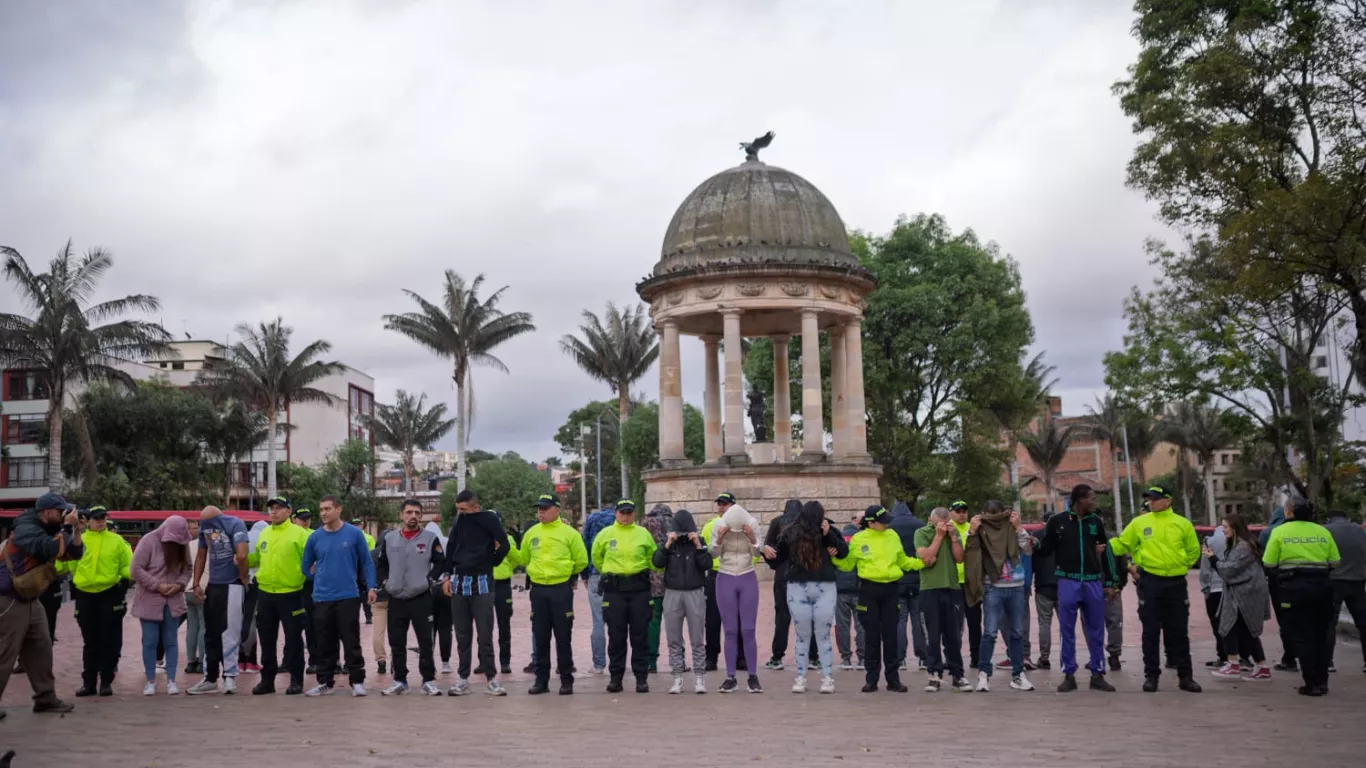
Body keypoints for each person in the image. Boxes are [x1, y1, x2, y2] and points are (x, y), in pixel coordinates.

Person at [1110, 484, 1202, 693]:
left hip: (1176, 584)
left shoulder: (1182, 523)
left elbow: (1193, 551)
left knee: (1179, 632)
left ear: (1168, 500)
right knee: (1150, 632)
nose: (1150, 502)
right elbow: (1122, 544)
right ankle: (1151, 676)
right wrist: (1103, 544)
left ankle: (1186, 677)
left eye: (1155, 499)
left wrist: (1179, 565)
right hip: (1150, 582)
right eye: (1149, 499)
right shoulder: (1139, 523)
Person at [0, 493, 84, 717]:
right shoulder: (26, 528)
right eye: (61, 511)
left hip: (29, 598)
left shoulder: (49, 527)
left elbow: (74, 554)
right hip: (8, 598)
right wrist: (67, 527)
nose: (64, 515)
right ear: (47, 513)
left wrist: (77, 531)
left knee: (41, 648)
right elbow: (49, 549)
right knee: (5, 654)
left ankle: (45, 698)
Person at [1034, 485, 1118, 693]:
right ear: (1080, 499)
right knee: (1067, 629)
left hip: (1092, 581)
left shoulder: (1095, 521)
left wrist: (1110, 581)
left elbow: (1106, 552)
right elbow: (1046, 549)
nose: (1094, 502)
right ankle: (1069, 674)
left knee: (1096, 629)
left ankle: (1097, 674)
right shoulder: (1057, 521)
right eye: (1091, 498)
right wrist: (1033, 544)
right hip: (1067, 581)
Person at [762, 501, 848, 694]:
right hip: (814, 586)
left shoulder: (826, 531)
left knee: (807, 636)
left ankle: (806, 678)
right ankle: (822, 678)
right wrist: (767, 552)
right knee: (818, 636)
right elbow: (777, 558)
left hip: (806, 586)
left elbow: (843, 552)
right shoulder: (792, 533)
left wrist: (828, 535)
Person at [834, 505, 919, 693]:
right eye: (882, 522)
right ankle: (871, 679)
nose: (886, 524)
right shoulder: (859, 539)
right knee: (871, 637)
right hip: (869, 591)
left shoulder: (892, 535)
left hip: (891, 590)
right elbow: (848, 565)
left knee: (891, 636)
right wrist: (835, 558)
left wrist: (921, 562)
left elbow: (903, 561)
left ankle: (893, 680)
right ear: (871, 523)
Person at [301, 496, 377, 696]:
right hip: (322, 597)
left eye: (327, 509)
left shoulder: (354, 534)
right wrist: (315, 574)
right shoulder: (315, 537)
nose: (323, 513)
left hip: (348, 596)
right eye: (321, 510)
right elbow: (305, 566)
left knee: (351, 641)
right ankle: (325, 682)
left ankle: (357, 681)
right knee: (324, 643)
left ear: (338, 509)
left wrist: (372, 587)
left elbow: (367, 562)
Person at [1262, 500, 1340, 696]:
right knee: (1320, 635)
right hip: (1322, 588)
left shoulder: (1280, 532)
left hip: (1294, 589)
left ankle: (1311, 684)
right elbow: (1335, 561)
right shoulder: (1323, 532)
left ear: (1290, 513)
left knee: (1303, 637)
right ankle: (1323, 682)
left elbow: (1269, 562)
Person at [440, 488, 510, 697]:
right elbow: (451, 548)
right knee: (462, 634)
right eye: (458, 509)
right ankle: (463, 679)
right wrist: (446, 575)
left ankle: (491, 679)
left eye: (464, 509)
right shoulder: (458, 521)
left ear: (475, 507)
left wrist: (491, 561)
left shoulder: (489, 519)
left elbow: (504, 545)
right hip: (460, 580)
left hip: (483, 581)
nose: (460, 513)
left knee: (485, 633)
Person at [520, 493, 588, 695]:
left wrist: (565, 573)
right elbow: (524, 558)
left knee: (563, 636)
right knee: (540, 636)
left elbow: (581, 560)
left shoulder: (570, 534)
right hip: (539, 590)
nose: (540, 512)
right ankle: (541, 681)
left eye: (545, 508)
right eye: (539, 508)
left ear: (557, 510)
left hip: (561, 590)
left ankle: (566, 680)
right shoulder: (532, 533)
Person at [59, 505, 130, 698]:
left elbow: (127, 565)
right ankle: (88, 683)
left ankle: (106, 682)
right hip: (85, 595)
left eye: (103, 518)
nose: (100, 522)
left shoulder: (117, 541)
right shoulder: (79, 540)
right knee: (90, 642)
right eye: (96, 519)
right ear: (87, 520)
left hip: (110, 594)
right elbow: (68, 564)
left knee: (110, 640)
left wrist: (132, 575)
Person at [964, 501, 1035, 692]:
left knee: (1017, 633)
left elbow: (1028, 549)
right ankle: (984, 674)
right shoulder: (980, 530)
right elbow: (969, 553)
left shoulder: (1012, 527)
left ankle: (1018, 675)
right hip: (993, 587)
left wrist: (1019, 527)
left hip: (1016, 587)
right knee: (990, 633)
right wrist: (971, 531)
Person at [378, 499, 445, 696]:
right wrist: (385, 581)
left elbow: (440, 562)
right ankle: (399, 680)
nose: (413, 516)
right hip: (396, 597)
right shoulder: (390, 538)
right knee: (396, 642)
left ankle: (428, 680)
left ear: (421, 516)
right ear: (401, 515)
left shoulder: (430, 538)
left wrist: (430, 579)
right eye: (409, 512)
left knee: (425, 641)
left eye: (417, 512)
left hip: (421, 597)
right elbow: (381, 563)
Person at [246, 496, 311, 696]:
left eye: (278, 508)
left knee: (293, 639)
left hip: (291, 594)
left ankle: (296, 680)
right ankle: (267, 681)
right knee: (266, 640)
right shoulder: (265, 533)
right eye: (271, 508)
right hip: (266, 594)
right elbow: (257, 558)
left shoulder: (300, 534)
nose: (273, 512)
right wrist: (243, 559)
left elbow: (311, 561)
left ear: (289, 511)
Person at [592, 500, 659, 693]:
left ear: (634, 514)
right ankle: (616, 679)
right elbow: (596, 557)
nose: (626, 516)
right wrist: (610, 571)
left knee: (640, 636)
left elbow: (653, 558)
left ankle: (641, 678)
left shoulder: (643, 534)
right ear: (616, 513)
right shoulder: (605, 534)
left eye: (629, 512)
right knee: (616, 636)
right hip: (615, 590)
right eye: (623, 512)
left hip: (639, 589)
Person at [187, 506, 250, 695]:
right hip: (215, 584)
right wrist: (196, 583)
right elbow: (202, 554)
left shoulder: (235, 524)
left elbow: (242, 555)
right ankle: (212, 677)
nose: (207, 528)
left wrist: (243, 577)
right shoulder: (212, 527)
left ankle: (227, 676)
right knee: (214, 633)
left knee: (227, 632)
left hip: (231, 584)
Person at [1204, 512, 1271, 681]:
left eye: (1226, 527)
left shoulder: (1243, 547)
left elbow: (1229, 570)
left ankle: (1238, 664)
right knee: (1240, 629)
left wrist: (1212, 558)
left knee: (1237, 628)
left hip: (1245, 595)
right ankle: (1253, 665)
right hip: (1242, 593)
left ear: (1235, 528)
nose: (1223, 530)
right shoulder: (1241, 545)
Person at [131, 515, 192, 695]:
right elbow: (135, 569)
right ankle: (150, 681)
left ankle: (172, 680)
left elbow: (188, 568)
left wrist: (179, 585)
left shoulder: (183, 544)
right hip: (149, 601)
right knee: (150, 641)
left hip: (173, 600)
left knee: (171, 641)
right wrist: (157, 585)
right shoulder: (148, 541)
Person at [653, 509, 712, 694]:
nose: (683, 535)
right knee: (674, 638)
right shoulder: (669, 543)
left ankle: (699, 677)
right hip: (672, 593)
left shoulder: (699, 542)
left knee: (697, 638)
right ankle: (677, 677)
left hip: (695, 593)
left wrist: (698, 545)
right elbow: (657, 562)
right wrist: (668, 543)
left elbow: (707, 564)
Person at [709, 495, 763, 693]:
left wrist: (752, 538)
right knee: (730, 630)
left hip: (747, 575)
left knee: (748, 629)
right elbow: (713, 554)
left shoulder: (752, 524)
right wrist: (720, 539)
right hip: (725, 576)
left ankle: (753, 676)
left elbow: (757, 554)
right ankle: (730, 676)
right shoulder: (718, 525)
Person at [915, 507, 970, 692]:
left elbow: (960, 558)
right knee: (932, 636)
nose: (943, 525)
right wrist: (938, 536)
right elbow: (926, 556)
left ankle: (958, 675)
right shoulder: (922, 533)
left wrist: (953, 537)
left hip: (952, 588)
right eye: (940, 522)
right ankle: (934, 675)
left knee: (953, 636)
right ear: (931, 520)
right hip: (930, 589)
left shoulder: (953, 533)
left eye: (946, 522)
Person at [702, 493, 747, 673]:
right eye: (719, 504)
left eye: (725, 504)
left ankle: (740, 657)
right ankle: (711, 658)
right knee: (713, 619)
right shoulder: (710, 526)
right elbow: (704, 550)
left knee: (738, 618)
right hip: (717, 575)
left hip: (738, 574)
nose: (721, 507)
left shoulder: (744, 525)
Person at [1324, 509, 1366, 674]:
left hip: (1333, 581)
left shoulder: (1326, 530)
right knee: (1363, 623)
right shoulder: (1359, 530)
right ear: (1346, 518)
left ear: (1329, 518)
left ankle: (1328, 662)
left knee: (1329, 623)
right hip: (1357, 581)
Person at [763, 499, 802, 671]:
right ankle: (813, 657)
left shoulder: (777, 522)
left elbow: (770, 550)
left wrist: (774, 564)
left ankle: (777, 657)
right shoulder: (808, 523)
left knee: (782, 618)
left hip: (782, 576)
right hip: (804, 576)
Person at [1259, 503, 1298, 672]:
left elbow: (1266, 560)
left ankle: (1290, 658)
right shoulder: (1310, 530)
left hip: (1280, 582)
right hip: (1309, 580)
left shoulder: (1269, 532)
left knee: (1285, 620)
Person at [888, 501, 926, 671]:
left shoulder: (890, 528)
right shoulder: (920, 525)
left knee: (900, 620)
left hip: (899, 580)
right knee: (918, 619)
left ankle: (900, 658)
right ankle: (923, 657)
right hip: (918, 578)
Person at [578, 504, 615, 676]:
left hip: (595, 575)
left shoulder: (592, 519)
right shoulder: (619, 520)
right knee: (618, 622)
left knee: (598, 621)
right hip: (616, 576)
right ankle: (617, 662)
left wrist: (584, 575)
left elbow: (584, 547)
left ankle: (598, 665)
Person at [949, 500, 981, 668]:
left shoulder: (973, 528)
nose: (961, 514)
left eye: (964, 511)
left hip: (971, 582)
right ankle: (953, 658)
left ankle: (976, 657)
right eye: (958, 511)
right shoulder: (947, 529)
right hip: (953, 582)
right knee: (954, 623)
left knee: (974, 622)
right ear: (951, 513)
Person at [641, 503, 673, 673]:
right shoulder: (674, 523)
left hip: (652, 579)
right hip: (673, 580)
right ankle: (679, 659)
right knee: (674, 622)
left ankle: (651, 661)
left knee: (653, 621)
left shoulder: (646, 524)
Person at [490, 511, 520, 676]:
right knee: (484, 625)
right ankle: (484, 661)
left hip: (503, 585)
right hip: (486, 584)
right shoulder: (481, 538)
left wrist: (507, 569)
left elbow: (515, 559)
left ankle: (505, 661)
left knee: (504, 624)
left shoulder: (508, 539)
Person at [834, 521, 866, 671]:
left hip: (840, 590)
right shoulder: (861, 541)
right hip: (859, 590)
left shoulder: (837, 542)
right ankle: (862, 658)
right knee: (861, 625)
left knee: (843, 626)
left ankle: (846, 658)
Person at [1198, 519, 1229, 669]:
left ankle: (1223, 656)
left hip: (1215, 589)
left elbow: (1205, 567)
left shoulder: (1209, 542)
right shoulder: (1241, 541)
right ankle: (1243, 657)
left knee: (1217, 624)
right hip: (1234, 588)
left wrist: (1205, 587)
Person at [1030, 512, 1059, 670]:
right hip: (1063, 583)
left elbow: (1032, 559)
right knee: (1066, 624)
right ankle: (1067, 656)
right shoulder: (1064, 534)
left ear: (1043, 522)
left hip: (1043, 585)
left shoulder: (1037, 535)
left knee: (1044, 623)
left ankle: (1044, 658)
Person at [290, 508, 317, 674]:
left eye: (308, 518)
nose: (305, 521)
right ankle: (288, 660)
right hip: (291, 586)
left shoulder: (314, 535)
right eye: (302, 518)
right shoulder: (289, 534)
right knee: (291, 627)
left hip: (308, 585)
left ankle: (314, 660)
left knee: (311, 623)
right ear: (294, 519)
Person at [184, 516, 210, 676]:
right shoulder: (208, 546)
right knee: (203, 626)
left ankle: (190, 662)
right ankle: (202, 662)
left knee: (192, 626)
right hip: (203, 589)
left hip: (187, 590)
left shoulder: (186, 546)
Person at [356, 520, 376, 625]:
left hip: (363, 565)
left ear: (362, 525)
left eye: (358, 524)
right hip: (354, 566)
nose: (356, 526)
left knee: (364, 590)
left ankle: (368, 616)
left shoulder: (369, 537)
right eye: (354, 525)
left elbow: (372, 552)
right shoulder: (350, 537)